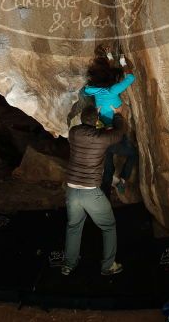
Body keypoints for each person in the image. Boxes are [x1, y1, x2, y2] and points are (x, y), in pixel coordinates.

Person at [62, 105, 127, 276]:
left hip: (72, 189)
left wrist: (96, 119)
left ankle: (68, 265)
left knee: (73, 226)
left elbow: (90, 132)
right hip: (90, 192)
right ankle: (108, 266)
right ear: (96, 119)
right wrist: (118, 115)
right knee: (108, 226)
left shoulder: (74, 132)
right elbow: (119, 133)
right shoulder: (102, 138)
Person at [83, 50, 139, 195]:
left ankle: (105, 195)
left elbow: (85, 91)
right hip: (115, 132)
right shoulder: (113, 90)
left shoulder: (93, 90)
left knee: (108, 170)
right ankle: (123, 180)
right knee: (133, 154)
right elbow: (131, 77)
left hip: (102, 137)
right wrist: (124, 64)